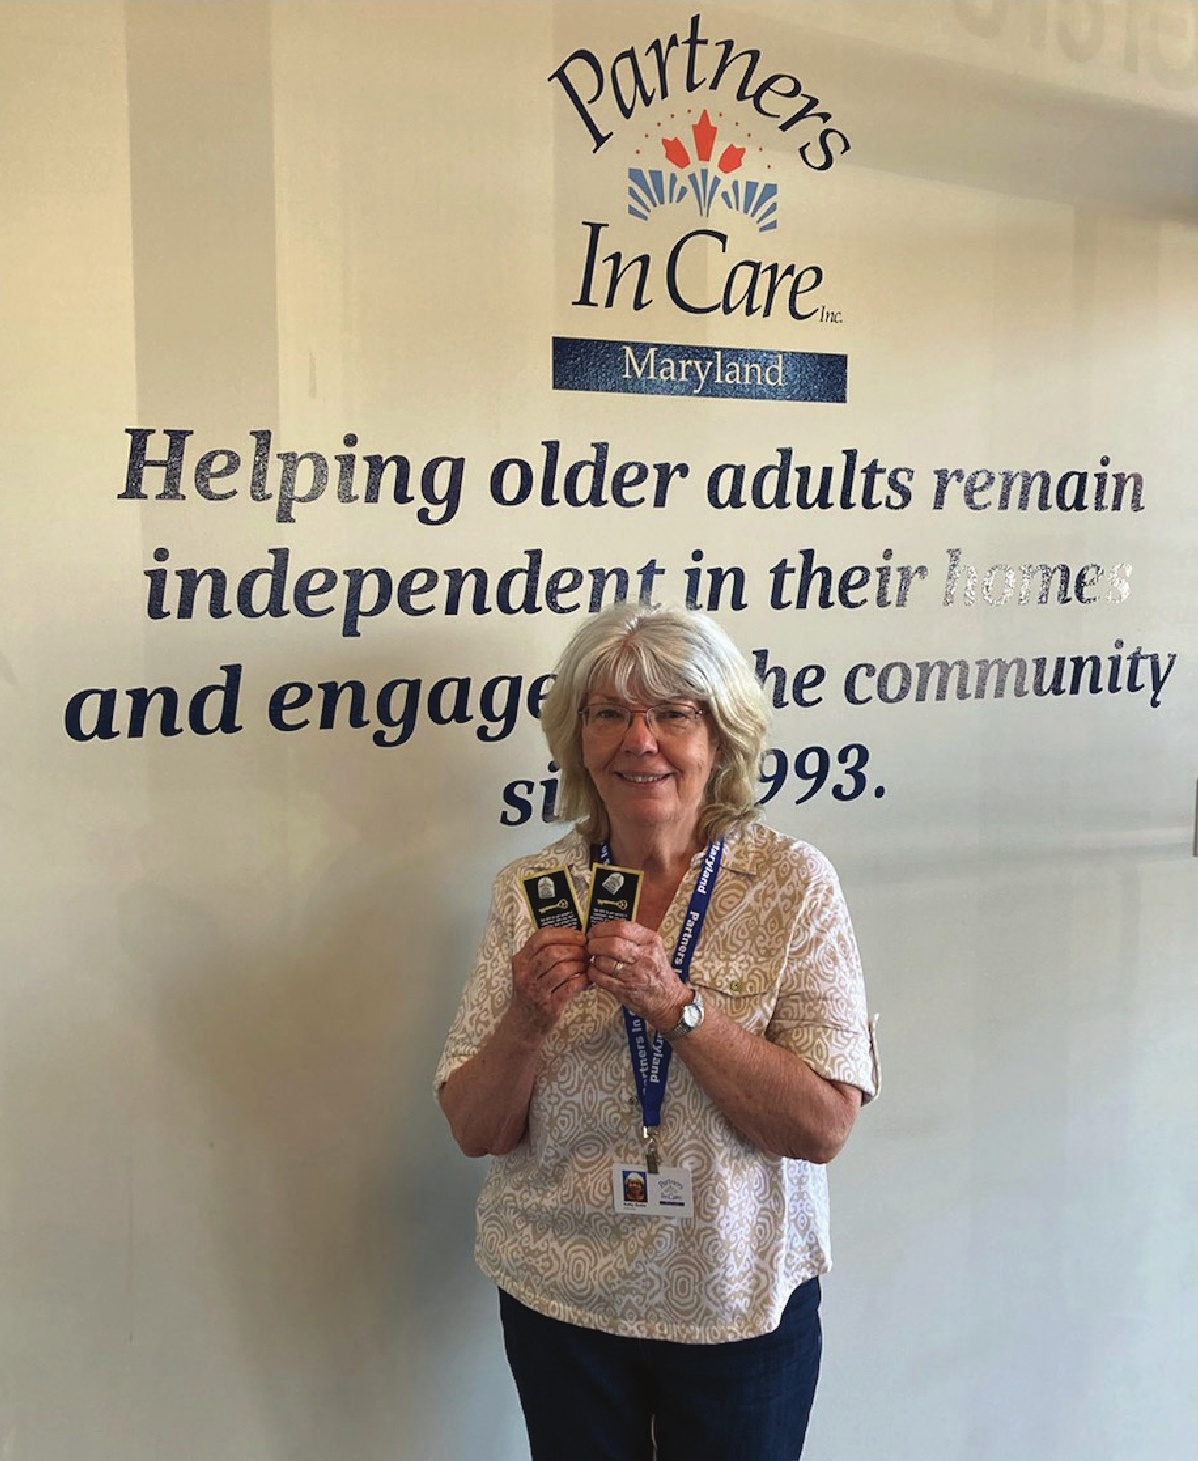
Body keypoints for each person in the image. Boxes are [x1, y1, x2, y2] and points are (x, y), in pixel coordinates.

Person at [436, 603, 878, 1461]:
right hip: (559, 1297)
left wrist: (677, 1007)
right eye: (609, 713)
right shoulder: (530, 888)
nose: (639, 740)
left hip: (735, 1304)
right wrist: (528, 1018)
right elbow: (474, 1127)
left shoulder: (792, 882)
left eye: (673, 712)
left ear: (720, 735)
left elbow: (823, 1125)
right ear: (578, 740)